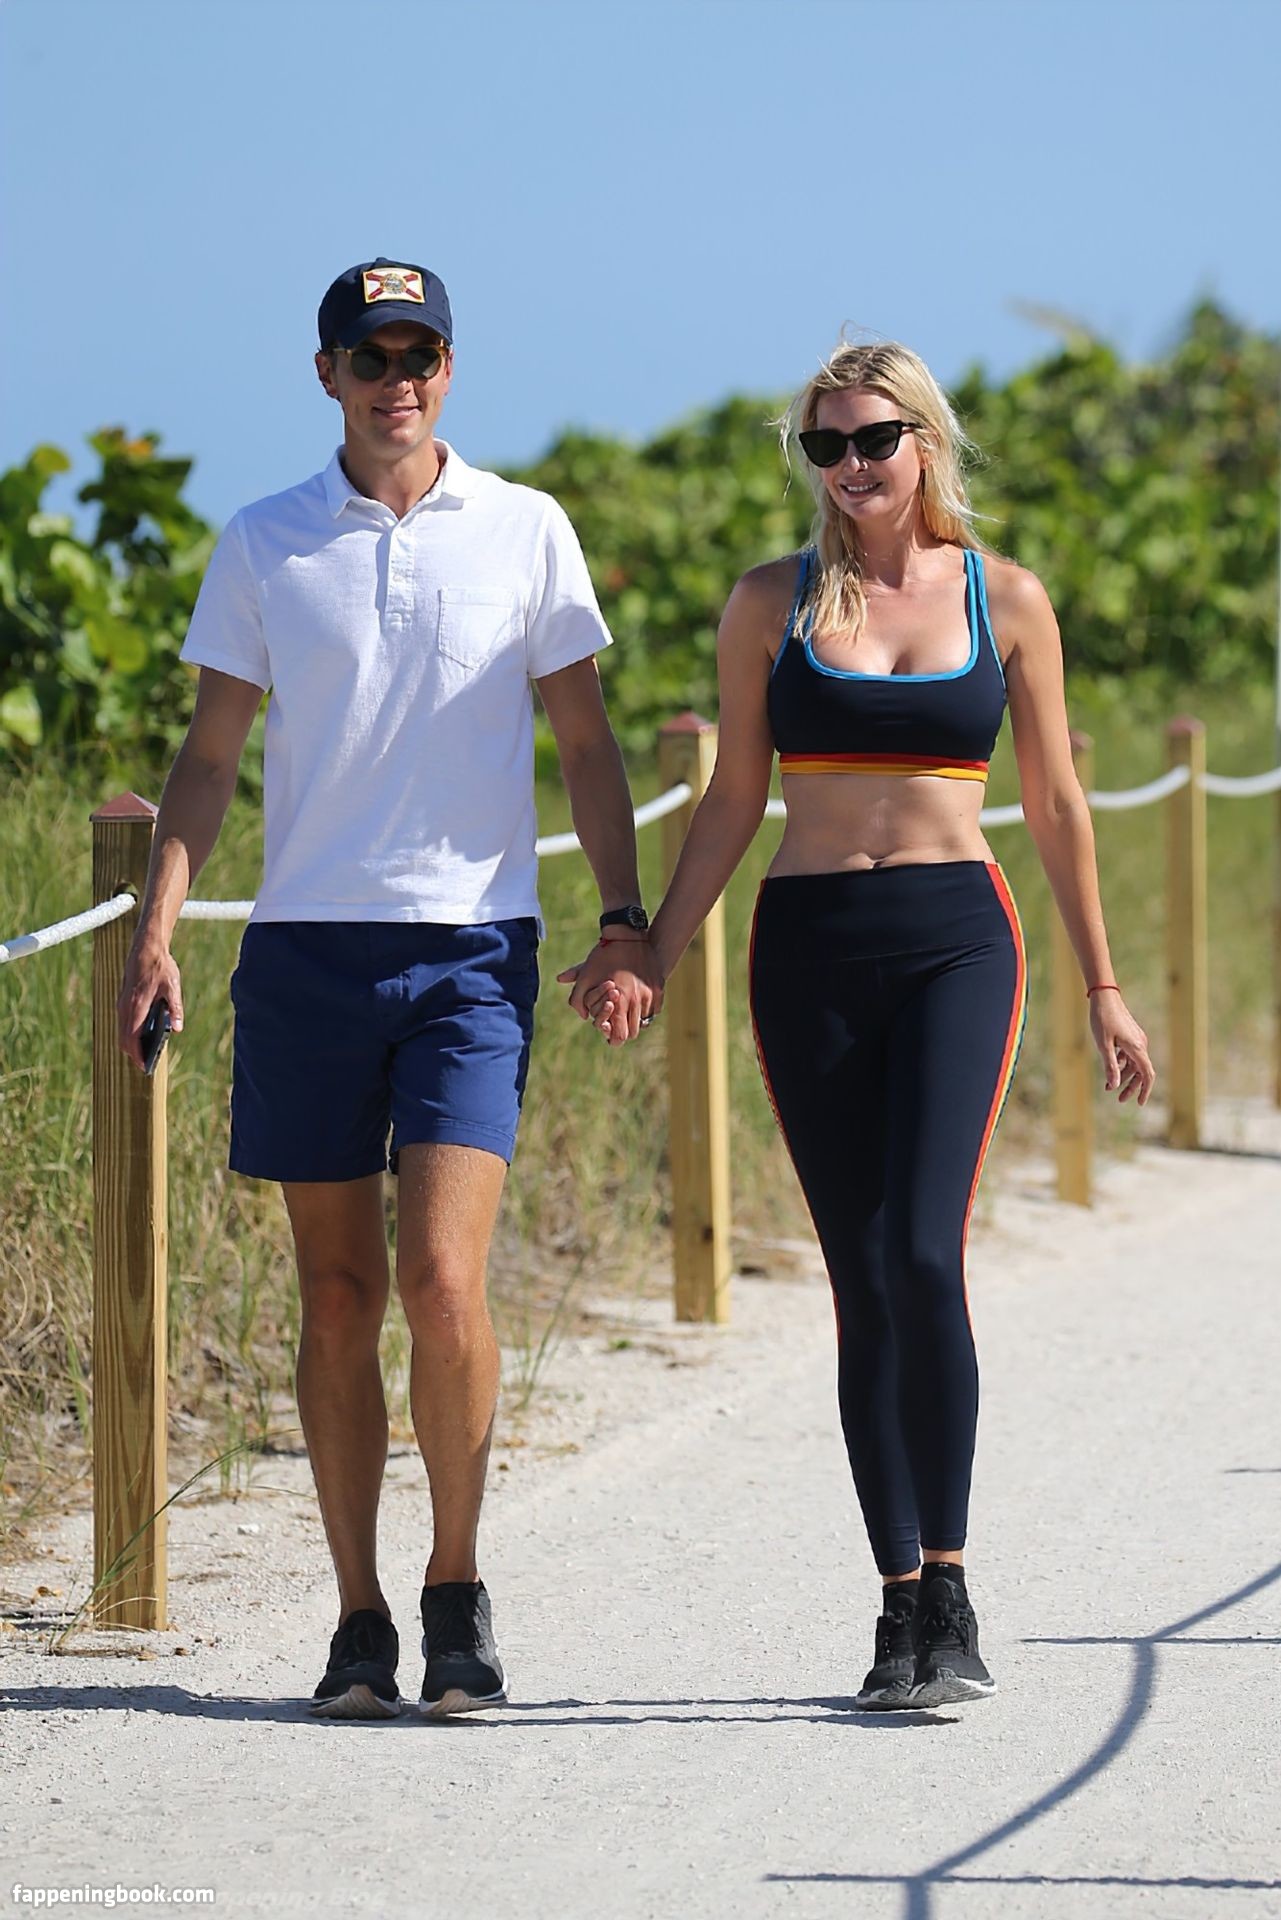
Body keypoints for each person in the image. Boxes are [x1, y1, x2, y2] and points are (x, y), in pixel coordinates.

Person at [567, 340, 1154, 1708]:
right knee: (858, 1275)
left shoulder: (1005, 599)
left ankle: (951, 1584)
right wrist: (649, 947)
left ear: (923, 443)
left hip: (958, 941)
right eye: (824, 446)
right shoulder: (768, 603)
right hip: (811, 946)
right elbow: (731, 796)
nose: (849, 466)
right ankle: (896, 1604)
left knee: (923, 1255)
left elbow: (1056, 804)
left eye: (872, 439)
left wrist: (1104, 983)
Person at [116, 257, 661, 1720]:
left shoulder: (527, 528)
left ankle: (455, 1587)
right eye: (370, 356)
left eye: (419, 354)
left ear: (449, 368)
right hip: (306, 952)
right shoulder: (265, 540)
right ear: (328, 375)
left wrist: (622, 919)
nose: (396, 380)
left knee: (442, 1281)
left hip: (472, 951)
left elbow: (587, 743)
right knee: (340, 1292)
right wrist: (158, 929)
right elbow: (211, 756)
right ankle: (357, 1614)